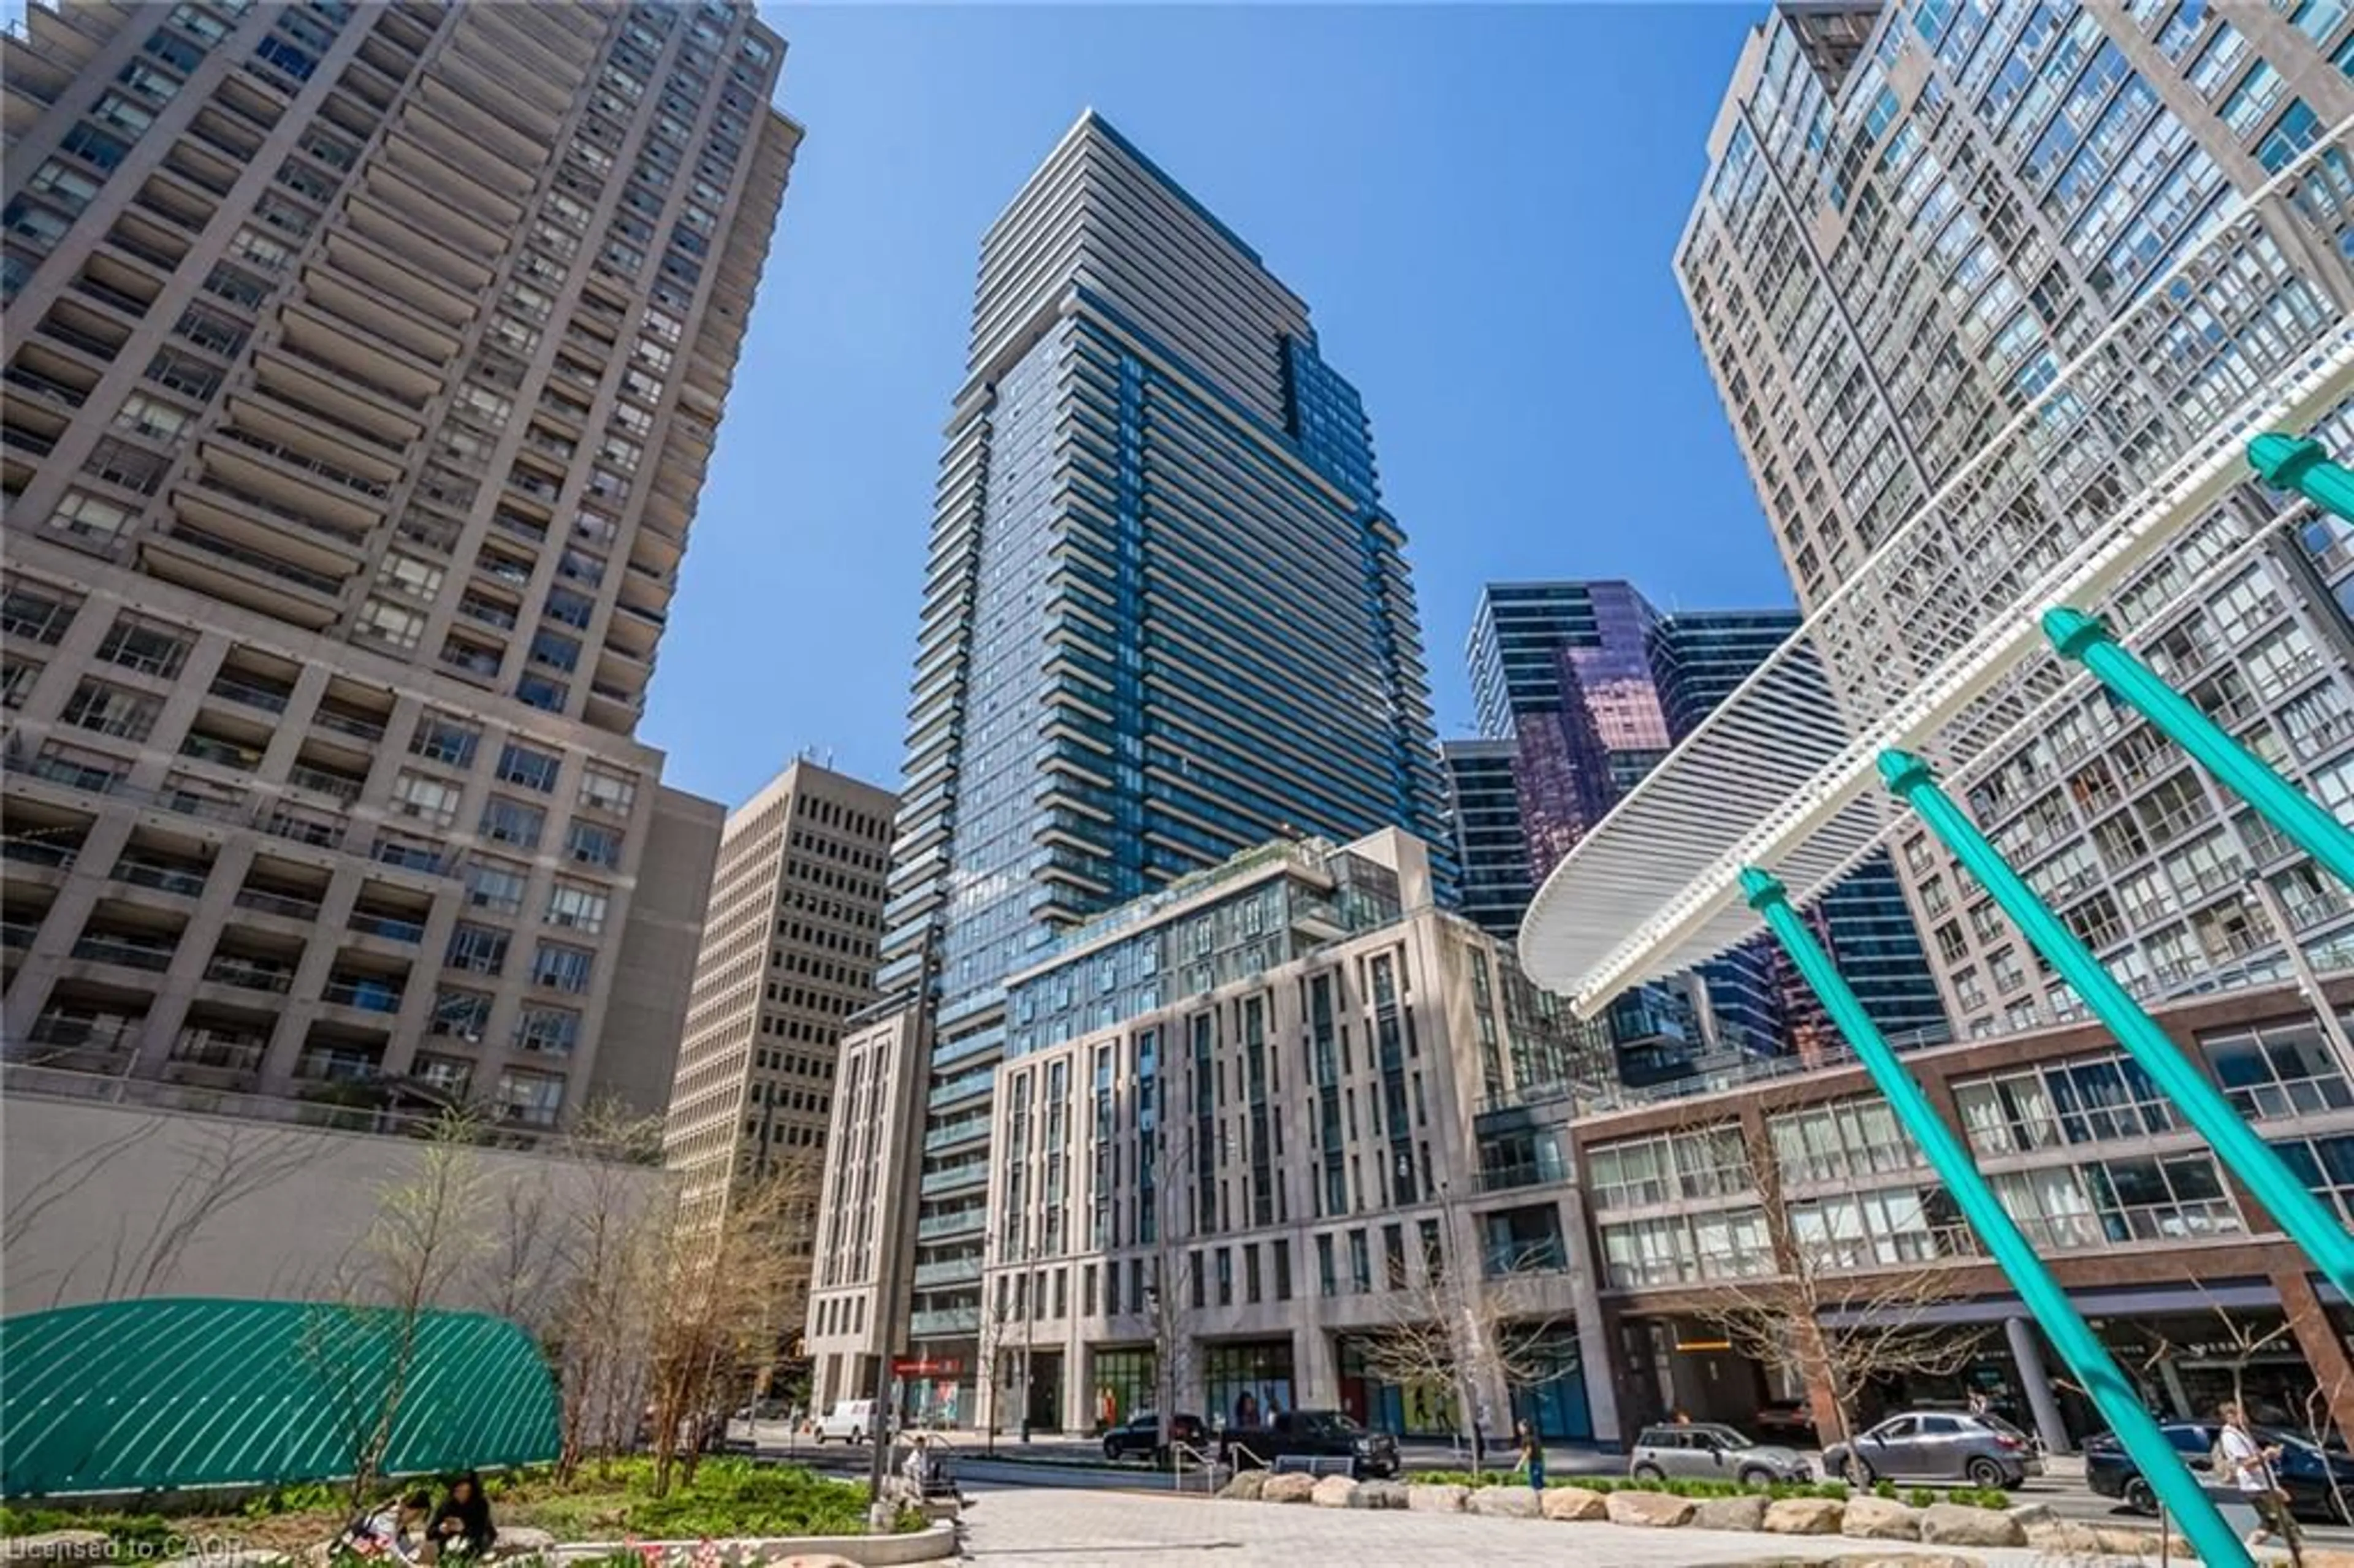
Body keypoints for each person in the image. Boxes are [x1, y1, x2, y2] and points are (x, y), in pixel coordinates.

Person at [2217, 1401, 2304, 1563]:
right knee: (2287, 1526)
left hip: (2261, 1485)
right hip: (2256, 1487)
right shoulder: (2230, 1437)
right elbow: (2247, 1464)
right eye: (2238, 1414)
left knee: (2269, 1525)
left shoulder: (2241, 1433)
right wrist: (2266, 1455)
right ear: (2229, 1417)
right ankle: (2300, 1558)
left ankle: (2245, 1552)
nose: (2245, 1418)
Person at [421, 1472, 495, 1564]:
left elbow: (482, 1531)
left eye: (466, 1492)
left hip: (474, 1548)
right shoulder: (447, 1505)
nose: (461, 1495)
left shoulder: (480, 1505)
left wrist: (464, 1528)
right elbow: (429, 1533)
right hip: (448, 1551)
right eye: (458, 1491)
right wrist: (440, 1529)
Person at [340, 1491, 430, 1563]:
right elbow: (392, 1548)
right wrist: (412, 1565)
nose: (415, 1519)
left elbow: (404, 1544)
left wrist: (417, 1555)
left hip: (366, 1553)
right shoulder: (388, 1517)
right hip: (354, 1553)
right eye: (417, 1515)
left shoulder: (399, 1520)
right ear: (407, 1508)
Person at [1514, 1419, 1546, 1493]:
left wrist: (1519, 1465)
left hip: (1534, 1463)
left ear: (1526, 1428)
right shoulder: (1534, 1437)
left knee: (1535, 1487)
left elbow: (1528, 1452)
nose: (1519, 1429)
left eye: (1520, 1427)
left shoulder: (1527, 1438)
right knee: (1539, 1485)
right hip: (1539, 1462)